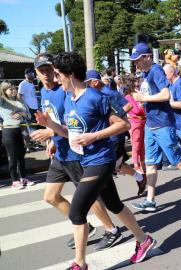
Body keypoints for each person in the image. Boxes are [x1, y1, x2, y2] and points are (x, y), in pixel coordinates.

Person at [35, 52, 156, 270]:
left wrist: (94, 136)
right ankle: (144, 239)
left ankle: (80, 264)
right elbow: (69, 132)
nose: (56, 78)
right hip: (86, 159)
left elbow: (123, 124)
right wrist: (50, 125)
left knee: (76, 212)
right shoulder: (72, 100)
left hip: (101, 160)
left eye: (58, 74)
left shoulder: (95, 97)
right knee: (114, 204)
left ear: (70, 75)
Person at [30, 54, 123, 251]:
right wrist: (51, 139)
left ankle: (110, 229)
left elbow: (72, 122)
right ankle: (84, 226)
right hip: (60, 152)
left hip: (76, 153)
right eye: (43, 70)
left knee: (89, 198)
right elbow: (55, 120)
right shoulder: (44, 94)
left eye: (50, 70)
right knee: (50, 196)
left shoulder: (65, 91)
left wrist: (51, 131)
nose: (48, 75)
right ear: (36, 72)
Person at [129, 42, 181, 212]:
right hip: (151, 124)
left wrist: (144, 98)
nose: (136, 63)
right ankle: (150, 200)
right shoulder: (146, 73)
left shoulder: (156, 71)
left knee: (176, 160)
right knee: (150, 164)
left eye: (138, 59)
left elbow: (165, 94)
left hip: (163, 124)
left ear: (147, 57)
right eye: (134, 60)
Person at [0, 81, 33, 189]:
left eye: (14, 88)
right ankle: (14, 181)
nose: (14, 90)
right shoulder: (2, 101)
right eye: (10, 89)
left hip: (21, 130)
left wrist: (21, 113)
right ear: (4, 91)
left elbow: (28, 115)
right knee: (13, 157)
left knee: (21, 157)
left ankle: (23, 178)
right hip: (9, 131)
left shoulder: (20, 100)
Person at [123, 75, 147, 195]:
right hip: (135, 123)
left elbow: (143, 111)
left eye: (139, 84)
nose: (138, 86)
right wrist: (142, 106)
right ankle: (137, 166)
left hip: (142, 122)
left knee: (141, 146)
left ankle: (142, 165)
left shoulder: (136, 95)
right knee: (136, 145)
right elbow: (138, 111)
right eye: (136, 85)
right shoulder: (128, 97)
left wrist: (142, 106)